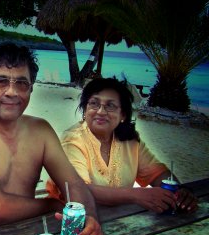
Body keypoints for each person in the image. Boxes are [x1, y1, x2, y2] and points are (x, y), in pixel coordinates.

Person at [0, 42, 105, 235]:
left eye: (21, 83)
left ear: (30, 89)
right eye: (1, 82)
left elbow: (73, 184)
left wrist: (89, 219)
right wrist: (53, 204)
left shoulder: (40, 130)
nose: (12, 92)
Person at [46, 77, 198, 214]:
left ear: (123, 115)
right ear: (85, 110)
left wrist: (181, 192)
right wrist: (137, 195)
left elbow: (157, 173)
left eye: (110, 106)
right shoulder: (73, 140)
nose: (100, 111)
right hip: (70, 219)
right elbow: (80, 191)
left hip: (118, 218)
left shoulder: (130, 141)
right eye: (94, 103)